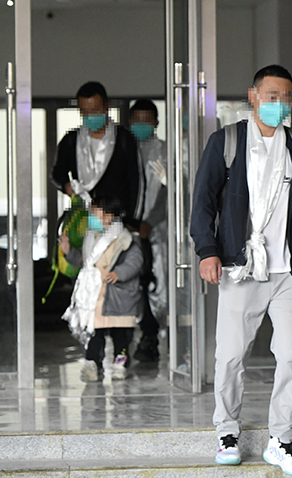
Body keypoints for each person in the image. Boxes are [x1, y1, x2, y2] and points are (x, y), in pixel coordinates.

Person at [190, 64, 292, 475]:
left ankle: (281, 440)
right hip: (240, 268)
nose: (279, 104)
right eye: (272, 96)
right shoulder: (227, 141)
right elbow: (203, 202)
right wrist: (207, 250)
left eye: (286, 97)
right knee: (231, 355)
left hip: (289, 271)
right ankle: (226, 432)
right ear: (253, 97)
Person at [60, 196, 143, 382]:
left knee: (120, 333)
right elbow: (85, 263)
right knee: (94, 332)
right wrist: (68, 251)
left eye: (95, 213)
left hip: (118, 296)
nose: (91, 217)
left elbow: (135, 261)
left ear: (108, 215)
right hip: (96, 296)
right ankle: (92, 364)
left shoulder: (125, 238)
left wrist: (118, 273)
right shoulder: (91, 237)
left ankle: (120, 364)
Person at [50, 81, 145, 231]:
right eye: (84, 111)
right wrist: (66, 186)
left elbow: (136, 182)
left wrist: (132, 221)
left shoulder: (125, 140)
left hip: (117, 221)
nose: (90, 116)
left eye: (95, 110)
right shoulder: (71, 141)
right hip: (84, 219)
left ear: (107, 107)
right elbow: (56, 173)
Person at [128, 100, 167, 362]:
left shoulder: (163, 151)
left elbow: (169, 190)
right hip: (127, 229)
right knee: (131, 283)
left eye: (147, 120)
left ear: (156, 123)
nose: (141, 125)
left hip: (157, 230)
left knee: (157, 282)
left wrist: (149, 222)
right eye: (137, 120)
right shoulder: (122, 150)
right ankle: (134, 338)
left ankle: (153, 336)